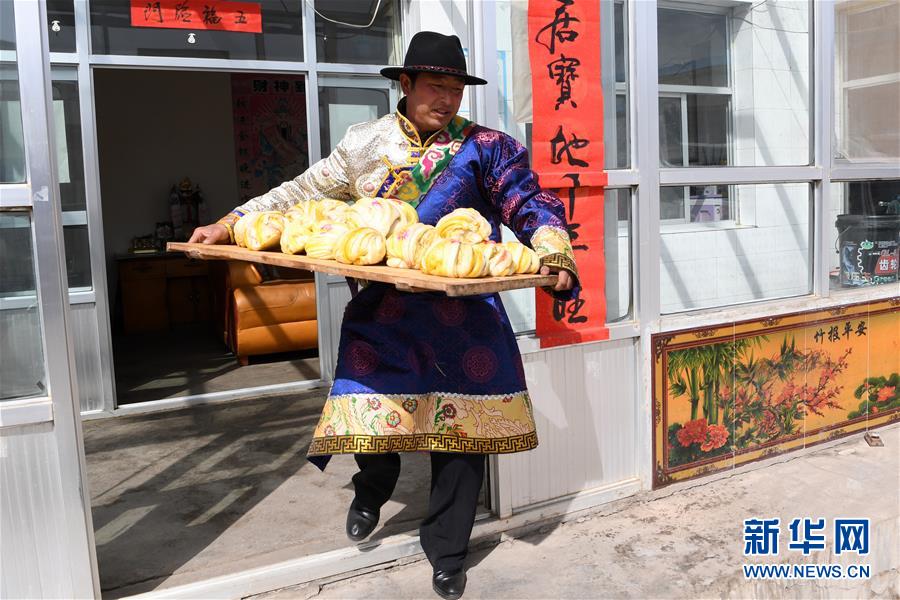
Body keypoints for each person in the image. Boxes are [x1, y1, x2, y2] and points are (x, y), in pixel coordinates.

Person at [189, 31, 578, 600]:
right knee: (372, 423)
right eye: (434, 87)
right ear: (405, 84)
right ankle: (372, 487)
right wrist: (230, 222)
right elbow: (301, 191)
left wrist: (553, 251)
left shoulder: (490, 147)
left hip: (465, 317)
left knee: (462, 439)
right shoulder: (363, 145)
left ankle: (447, 549)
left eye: (455, 89)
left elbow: (528, 200)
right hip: (383, 312)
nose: (446, 99)